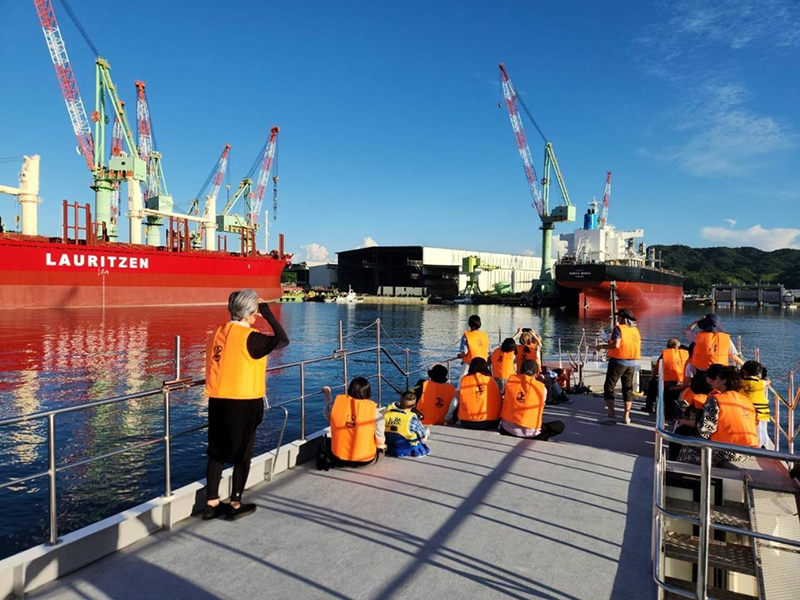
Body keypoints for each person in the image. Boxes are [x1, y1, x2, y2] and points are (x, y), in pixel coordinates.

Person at [204, 289, 289, 521]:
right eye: (255, 310)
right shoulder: (250, 337)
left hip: (217, 399)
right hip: (244, 400)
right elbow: (282, 340)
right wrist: (267, 312)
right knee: (243, 454)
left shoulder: (217, 332)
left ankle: (211, 503)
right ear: (249, 311)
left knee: (216, 453)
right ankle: (235, 503)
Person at [674, 366, 758, 466]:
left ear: (723, 382)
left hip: (725, 450)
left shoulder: (716, 400)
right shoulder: (746, 401)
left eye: (717, 378)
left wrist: (688, 422)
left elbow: (705, 430)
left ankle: (676, 469)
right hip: (746, 450)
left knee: (685, 440)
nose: (715, 381)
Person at [322, 378, 385, 468]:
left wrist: (327, 393)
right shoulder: (374, 411)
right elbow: (380, 438)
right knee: (382, 448)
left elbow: (328, 414)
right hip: (365, 460)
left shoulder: (335, 405)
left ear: (350, 389)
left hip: (338, 457)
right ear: (368, 392)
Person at [500, 360, 565, 440]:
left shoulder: (510, 382)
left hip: (506, 428)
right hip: (531, 432)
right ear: (537, 374)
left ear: (519, 371)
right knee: (560, 425)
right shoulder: (541, 389)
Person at [597, 308, 641, 425]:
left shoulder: (619, 329)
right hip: (631, 363)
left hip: (618, 361)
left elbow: (616, 345)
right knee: (627, 388)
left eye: (619, 317)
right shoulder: (635, 330)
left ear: (623, 318)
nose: (618, 318)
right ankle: (626, 417)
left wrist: (602, 346)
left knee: (609, 386)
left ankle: (611, 416)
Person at [449, 357, 502, 430]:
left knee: (459, 398)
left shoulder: (464, 380)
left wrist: (447, 417)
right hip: (491, 422)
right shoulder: (492, 380)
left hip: (467, 421)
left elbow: (455, 401)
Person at [685, 314, 743, 379]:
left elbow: (687, 331)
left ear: (704, 326)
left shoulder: (698, 336)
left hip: (702, 370)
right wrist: (744, 365)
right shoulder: (726, 338)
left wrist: (696, 322)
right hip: (719, 370)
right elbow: (733, 356)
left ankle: (689, 381)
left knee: (690, 365)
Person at [644, 339, 690, 416]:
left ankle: (650, 406)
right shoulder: (686, 354)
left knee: (652, 384)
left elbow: (656, 368)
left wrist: (653, 377)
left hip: (668, 383)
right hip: (683, 383)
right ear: (679, 346)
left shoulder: (665, 354)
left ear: (668, 346)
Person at [383, 391, 431, 457]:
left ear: (399, 402)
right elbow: (422, 434)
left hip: (389, 446)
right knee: (425, 430)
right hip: (407, 447)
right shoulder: (412, 419)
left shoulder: (386, 414)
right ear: (414, 405)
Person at [741, 360, 774, 450]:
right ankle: (761, 446)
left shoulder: (740, 382)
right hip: (761, 412)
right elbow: (768, 381)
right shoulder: (761, 383)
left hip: (745, 411)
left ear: (744, 371)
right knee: (761, 430)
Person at [457, 315, 489, 384]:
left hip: (469, 364)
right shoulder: (485, 335)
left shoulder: (466, 335)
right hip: (483, 365)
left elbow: (464, 352)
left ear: (469, 324)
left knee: (462, 383)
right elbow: (487, 350)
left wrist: (460, 355)